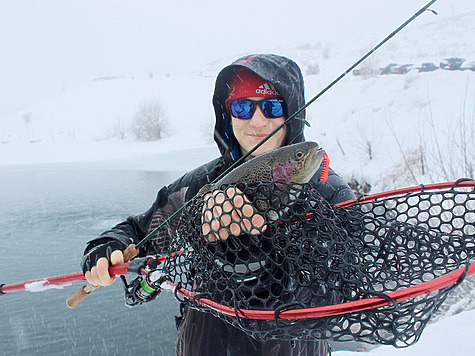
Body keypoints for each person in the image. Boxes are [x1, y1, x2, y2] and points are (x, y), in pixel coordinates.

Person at [81, 54, 356, 356]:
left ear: (292, 112)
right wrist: (108, 246)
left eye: (272, 106)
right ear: (228, 115)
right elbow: (141, 231)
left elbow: (347, 286)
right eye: (242, 107)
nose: (258, 121)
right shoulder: (200, 185)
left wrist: (255, 269)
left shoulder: (328, 193)